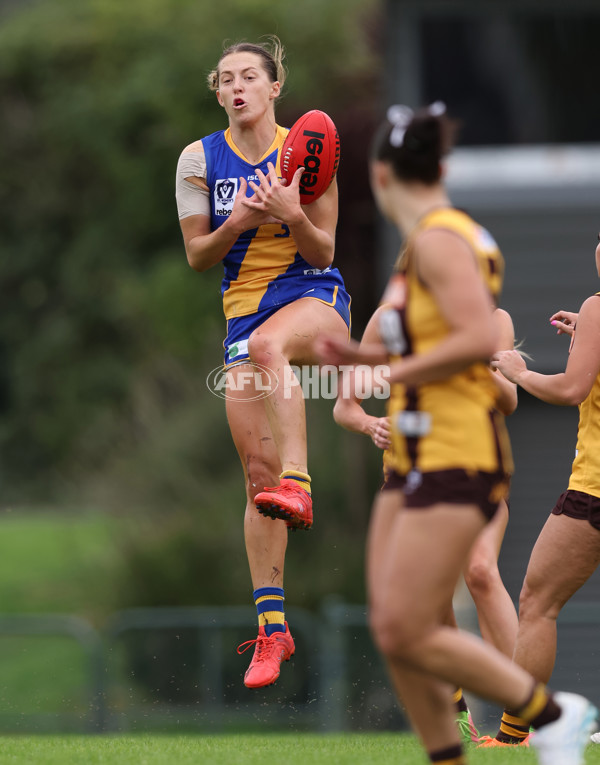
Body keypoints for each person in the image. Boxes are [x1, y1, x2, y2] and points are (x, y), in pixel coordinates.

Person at [316, 102, 596, 765]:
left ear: (382, 176)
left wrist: (375, 363)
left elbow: (476, 341)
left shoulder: (443, 240)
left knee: (420, 614)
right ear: (440, 165)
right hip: (419, 454)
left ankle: (550, 713)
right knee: (396, 624)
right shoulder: (436, 245)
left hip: (455, 455)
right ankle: (457, 748)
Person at [175, 37, 351, 689]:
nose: (238, 85)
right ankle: (273, 630)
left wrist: (288, 213)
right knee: (256, 479)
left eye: (251, 75)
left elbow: (324, 246)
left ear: (275, 87)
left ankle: (300, 481)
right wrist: (241, 221)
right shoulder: (198, 159)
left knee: (270, 348)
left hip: (314, 294)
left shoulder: (307, 146)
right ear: (217, 92)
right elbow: (198, 256)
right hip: (242, 314)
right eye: (226, 78)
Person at [333, 305, 520, 745]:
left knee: (480, 572)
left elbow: (509, 400)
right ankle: (456, 713)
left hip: (474, 468)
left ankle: (522, 720)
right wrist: (370, 425)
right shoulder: (389, 319)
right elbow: (345, 405)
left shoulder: (491, 318)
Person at [486, 234, 600, 748]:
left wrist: (521, 372)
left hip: (595, 488)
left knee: (537, 602)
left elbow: (571, 389)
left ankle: (513, 736)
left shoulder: (598, 305)